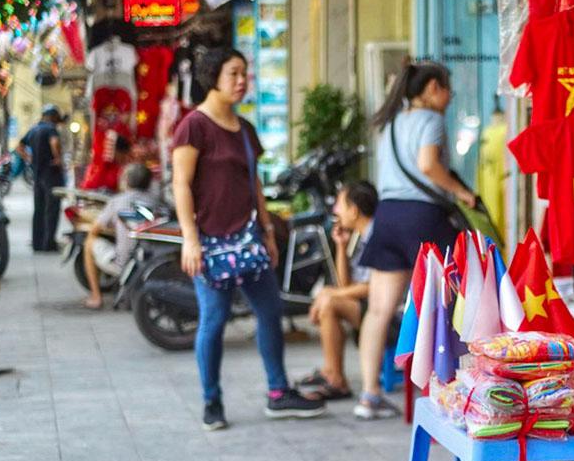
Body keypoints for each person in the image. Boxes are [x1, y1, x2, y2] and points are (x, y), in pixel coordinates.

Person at [171, 47, 326, 430]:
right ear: (213, 78)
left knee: (270, 312)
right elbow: (181, 183)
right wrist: (190, 239)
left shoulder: (245, 130)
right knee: (215, 319)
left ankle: (278, 392)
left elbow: (253, 182)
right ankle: (211, 401)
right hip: (209, 242)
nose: (242, 81)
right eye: (234, 73)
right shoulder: (194, 126)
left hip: (248, 240)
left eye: (245, 74)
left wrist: (268, 232)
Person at [355, 60, 475, 420]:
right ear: (433, 88)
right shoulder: (432, 121)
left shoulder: (390, 123)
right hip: (423, 217)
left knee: (378, 310)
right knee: (446, 306)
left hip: (387, 215)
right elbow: (427, 165)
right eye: (447, 88)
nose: (450, 96)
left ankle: (369, 395)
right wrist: (462, 192)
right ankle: (446, 393)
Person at [295, 180, 377, 401]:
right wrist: (341, 246)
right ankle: (332, 374)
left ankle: (335, 379)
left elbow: (372, 287)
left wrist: (327, 295)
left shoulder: (377, 236)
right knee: (329, 301)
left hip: (386, 313)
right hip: (369, 307)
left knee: (330, 302)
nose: (335, 210)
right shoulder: (362, 237)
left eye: (339, 204)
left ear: (354, 210)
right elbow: (346, 287)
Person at [82, 163, 161, 309]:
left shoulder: (117, 201)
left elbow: (94, 230)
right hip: (152, 263)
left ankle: (96, 297)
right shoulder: (156, 201)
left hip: (124, 264)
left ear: (126, 181)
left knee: (89, 242)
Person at [19, 104, 66, 252]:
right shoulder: (50, 129)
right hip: (51, 174)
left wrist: (29, 158)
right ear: (52, 117)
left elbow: (19, 146)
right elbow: (55, 142)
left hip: (37, 175)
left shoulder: (34, 129)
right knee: (51, 209)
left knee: (39, 209)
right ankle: (48, 243)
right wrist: (58, 158)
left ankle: (37, 243)